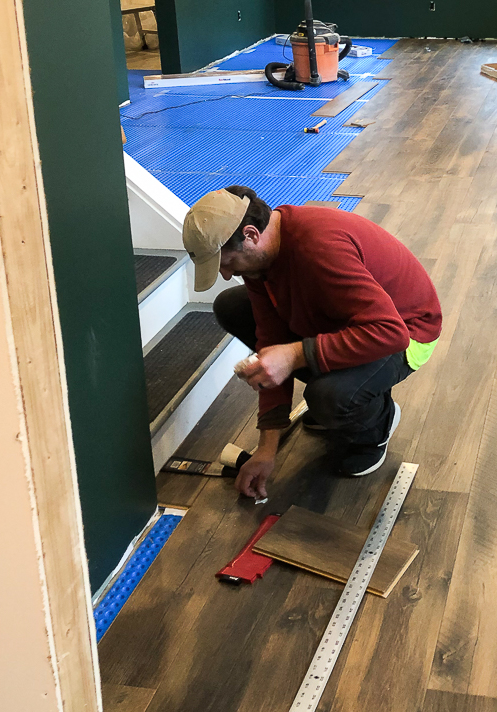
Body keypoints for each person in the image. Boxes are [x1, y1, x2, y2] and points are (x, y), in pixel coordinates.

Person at [182, 186, 441, 499]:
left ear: (250, 235)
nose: (226, 274)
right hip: (349, 317)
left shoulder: (318, 248)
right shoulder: (261, 260)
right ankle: (345, 386)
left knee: (329, 397)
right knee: (231, 305)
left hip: (406, 332)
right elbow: (271, 340)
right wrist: (266, 451)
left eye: (228, 262)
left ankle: (379, 422)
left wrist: (293, 355)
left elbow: (390, 331)